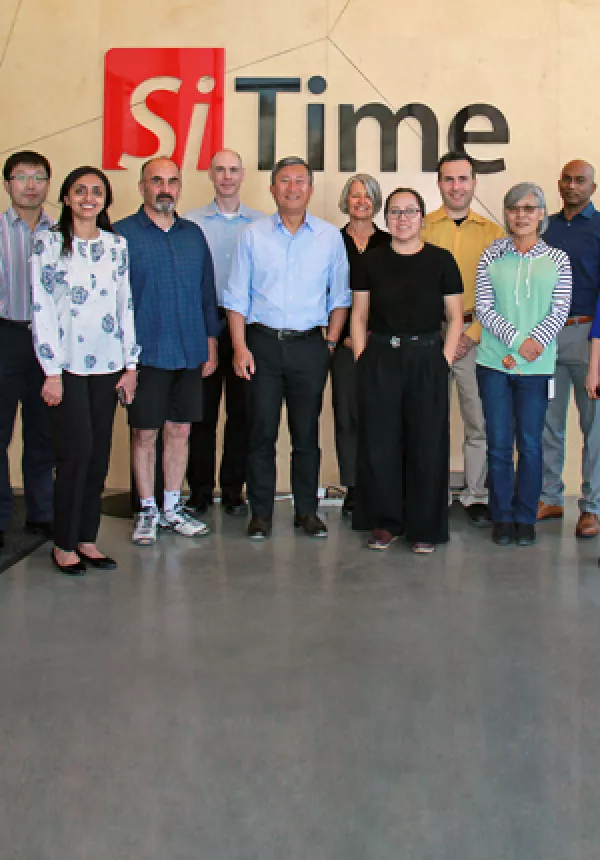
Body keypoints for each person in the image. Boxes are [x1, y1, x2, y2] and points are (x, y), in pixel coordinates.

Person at [224, 156, 351, 540]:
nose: (292, 188)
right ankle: (260, 514)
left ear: (310, 190)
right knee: (261, 433)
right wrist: (240, 347)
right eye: (284, 181)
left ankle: (307, 512)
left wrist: (329, 344)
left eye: (300, 182)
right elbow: (236, 297)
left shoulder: (329, 237)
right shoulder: (252, 234)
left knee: (305, 434)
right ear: (272, 188)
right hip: (261, 345)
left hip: (309, 347)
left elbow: (340, 298)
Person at [31, 166, 139, 574]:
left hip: (108, 365)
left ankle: (86, 538)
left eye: (97, 191)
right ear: (66, 198)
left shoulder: (117, 246)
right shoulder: (48, 244)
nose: (88, 198)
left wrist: (131, 365)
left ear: (106, 200)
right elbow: (41, 310)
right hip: (67, 368)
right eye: (80, 191)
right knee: (74, 453)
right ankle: (63, 543)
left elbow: (124, 305)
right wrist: (51, 371)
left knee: (96, 455)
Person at [351, 187, 463, 553]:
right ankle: (384, 523)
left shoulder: (442, 261)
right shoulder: (371, 261)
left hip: (427, 359)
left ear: (422, 217)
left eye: (409, 211)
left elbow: (454, 317)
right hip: (382, 357)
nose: (402, 218)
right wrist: (363, 358)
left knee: (427, 444)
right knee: (381, 443)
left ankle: (424, 527)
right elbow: (360, 314)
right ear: (386, 218)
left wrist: (443, 360)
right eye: (395, 212)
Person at [116, 157, 220, 546]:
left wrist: (210, 343)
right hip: (146, 353)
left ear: (180, 187)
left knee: (180, 430)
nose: (165, 188)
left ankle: (172, 507)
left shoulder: (193, 234)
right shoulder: (122, 235)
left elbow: (206, 293)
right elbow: (115, 301)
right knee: (145, 434)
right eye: (156, 180)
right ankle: (146, 509)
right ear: (142, 186)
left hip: (189, 348)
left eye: (172, 181)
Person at [475, 183, 572, 547]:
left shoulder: (558, 260)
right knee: (499, 444)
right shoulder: (491, 257)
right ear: (507, 214)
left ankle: (525, 516)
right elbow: (484, 308)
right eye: (514, 208)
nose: (521, 215)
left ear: (542, 214)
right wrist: (520, 344)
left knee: (531, 444)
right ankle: (502, 516)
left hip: (537, 368)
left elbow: (559, 310)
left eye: (529, 208)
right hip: (494, 365)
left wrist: (532, 347)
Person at [421, 151, 505, 527]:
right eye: (449, 179)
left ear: (474, 183)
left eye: (463, 179)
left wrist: (470, 335)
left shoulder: (494, 235)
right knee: (427, 419)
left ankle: (475, 495)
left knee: (477, 421)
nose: (456, 187)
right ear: (439, 184)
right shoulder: (420, 227)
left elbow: (499, 295)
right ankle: (429, 493)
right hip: (428, 337)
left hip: (477, 337)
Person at [184, 149, 263, 517]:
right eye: (220, 170)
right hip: (204, 322)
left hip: (247, 326)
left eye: (233, 169)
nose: (227, 176)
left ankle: (233, 489)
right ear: (211, 176)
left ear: (242, 174)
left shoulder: (262, 225)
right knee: (202, 414)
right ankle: (199, 491)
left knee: (242, 414)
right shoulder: (191, 222)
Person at [538, 160, 600, 537]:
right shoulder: (547, 228)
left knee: (594, 427)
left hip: (589, 335)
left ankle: (591, 507)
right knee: (548, 421)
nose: (573, 186)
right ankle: (550, 497)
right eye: (567, 179)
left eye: (581, 181)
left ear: (593, 187)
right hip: (547, 337)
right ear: (558, 184)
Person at [0, 151, 55, 548]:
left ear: (48, 185)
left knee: (43, 434)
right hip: (6, 336)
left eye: (38, 177)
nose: (30, 185)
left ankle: (42, 514)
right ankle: (1, 517)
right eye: (21, 177)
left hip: (48, 344)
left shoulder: (60, 234)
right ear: (7, 185)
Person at [333, 174, 389, 516]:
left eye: (367, 196)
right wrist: (341, 335)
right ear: (346, 201)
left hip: (382, 343)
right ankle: (352, 486)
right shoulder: (330, 240)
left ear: (376, 202)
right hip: (342, 343)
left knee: (381, 415)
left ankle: (378, 483)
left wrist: (371, 333)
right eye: (355, 196)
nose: (361, 202)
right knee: (347, 415)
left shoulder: (390, 240)